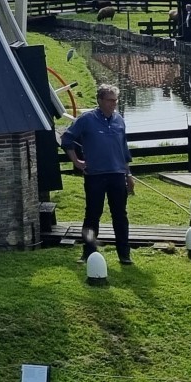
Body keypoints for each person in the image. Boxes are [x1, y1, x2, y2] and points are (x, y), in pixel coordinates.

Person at [62, 82, 132, 264]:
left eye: (115, 100)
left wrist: (128, 175)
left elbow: (124, 149)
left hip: (117, 175)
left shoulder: (119, 120)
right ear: (100, 100)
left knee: (120, 215)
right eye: (110, 100)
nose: (113, 104)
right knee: (93, 215)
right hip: (95, 176)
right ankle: (89, 252)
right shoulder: (87, 119)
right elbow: (66, 139)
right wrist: (76, 161)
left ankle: (124, 255)